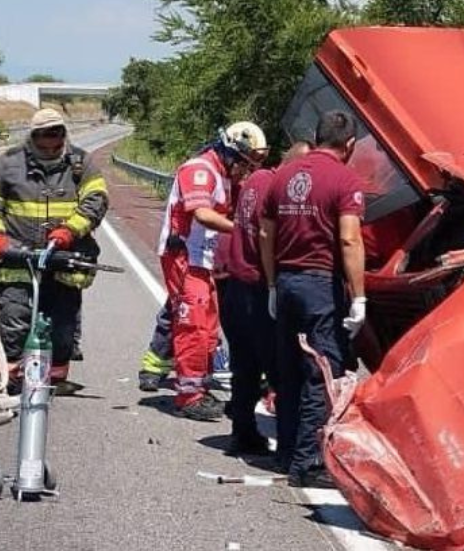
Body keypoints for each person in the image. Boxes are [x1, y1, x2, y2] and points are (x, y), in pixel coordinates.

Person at [261, 111, 365, 488]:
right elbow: (349, 239)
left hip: (286, 281)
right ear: (349, 144)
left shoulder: (283, 175)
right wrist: (359, 296)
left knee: (288, 370)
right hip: (320, 285)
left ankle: (286, 452)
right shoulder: (345, 180)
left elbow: (265, 233)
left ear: (317, 137)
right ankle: (307, 463)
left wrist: (272, 284)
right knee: (320, 373)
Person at [0, 108, 109, 390]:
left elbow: (96, 199)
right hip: (17, 256)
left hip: (62, 256)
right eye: (44, 138)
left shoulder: (81, 164)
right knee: (14, 318)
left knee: (62, 326)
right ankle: (6, 373)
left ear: (63, 134)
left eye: (56, 137)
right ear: (33, 137)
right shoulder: (9, 163)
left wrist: (70, 230)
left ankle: (54, 378)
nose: (50, 145)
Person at [155, 122, 266, 421]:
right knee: (192, 324)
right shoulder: (200, 170)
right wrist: (243, 231)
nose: (245, 172)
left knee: (208, 326)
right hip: (183, 257)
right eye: (244, 165)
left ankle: (198, 387)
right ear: (231, 154)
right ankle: (188, 396)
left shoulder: (225, 176)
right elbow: (202, 214)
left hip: (202, 259)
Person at [221, 140, 311, 455]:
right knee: (281, 370)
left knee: (243, 366)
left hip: (234, 286)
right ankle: (291, 447)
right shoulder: (276, 190)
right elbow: (269, 238)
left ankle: (242, 433)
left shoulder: (256, 179)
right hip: (258, 288)